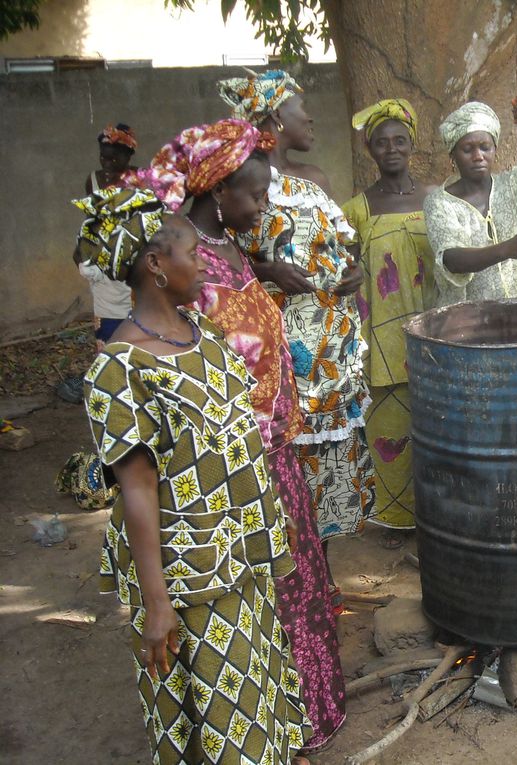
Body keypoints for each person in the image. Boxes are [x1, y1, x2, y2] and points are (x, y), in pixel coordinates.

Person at [75, 185, 312, 762]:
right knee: (216, 704)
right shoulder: (120, 369)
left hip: (240, 554)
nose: (205, 261)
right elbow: (137, 488)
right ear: (156, 265)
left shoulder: (200, 334)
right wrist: (157, 604)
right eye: (190, 252)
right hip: (189, 573)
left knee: (256, 681)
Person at [137, 117, 348, 753]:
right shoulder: (183, 262)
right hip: (234, 460)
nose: (262, 207)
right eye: (254, 196)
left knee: (298, 581)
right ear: (217, 189)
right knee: (263, 595)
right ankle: (270, 725)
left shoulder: (228, 246)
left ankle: (312, 711)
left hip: (274, 446)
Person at [219, 72, 375, 565]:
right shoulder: (241, 182)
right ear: (271, 120)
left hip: (332, 353)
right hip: (280, 350)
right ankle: (291, 578)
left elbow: (345, 248)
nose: (309, 118)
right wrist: (266, 271)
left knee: (327, 470)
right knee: (286, 464)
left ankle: (320, 575)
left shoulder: (317, 181)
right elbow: (216, 260)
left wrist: (355, 271)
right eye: (298, 109)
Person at [343, 98, 436, 537]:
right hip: (382, 335)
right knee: (390, 425)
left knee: (437, 422)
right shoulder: (356, 209)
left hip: (436, 331)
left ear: (412, 144)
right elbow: (341, 269)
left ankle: (437, 511)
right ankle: (397, 519)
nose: (392, 148)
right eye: (382, 143)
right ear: (371, 151)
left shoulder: (437, 201)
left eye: (400, 140)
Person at [423, 94, 517, 308]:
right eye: (467, 149)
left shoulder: (513, 184)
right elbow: (452, 259)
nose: (478, 156)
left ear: (495, 150)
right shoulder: (440, 203)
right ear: (452, 155)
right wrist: (507, 249)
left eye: (485, 147)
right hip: (471, 320)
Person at [60, 124, 138, 404]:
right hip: (102, 265)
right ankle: (112, 389)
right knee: (107, 330)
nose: (107, 165)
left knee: (137, 325)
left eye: (114, 159)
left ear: (128, 156)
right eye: (103, 158)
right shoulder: (92, 180)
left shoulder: (140, 181)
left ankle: (138, 388)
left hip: (131, 264)